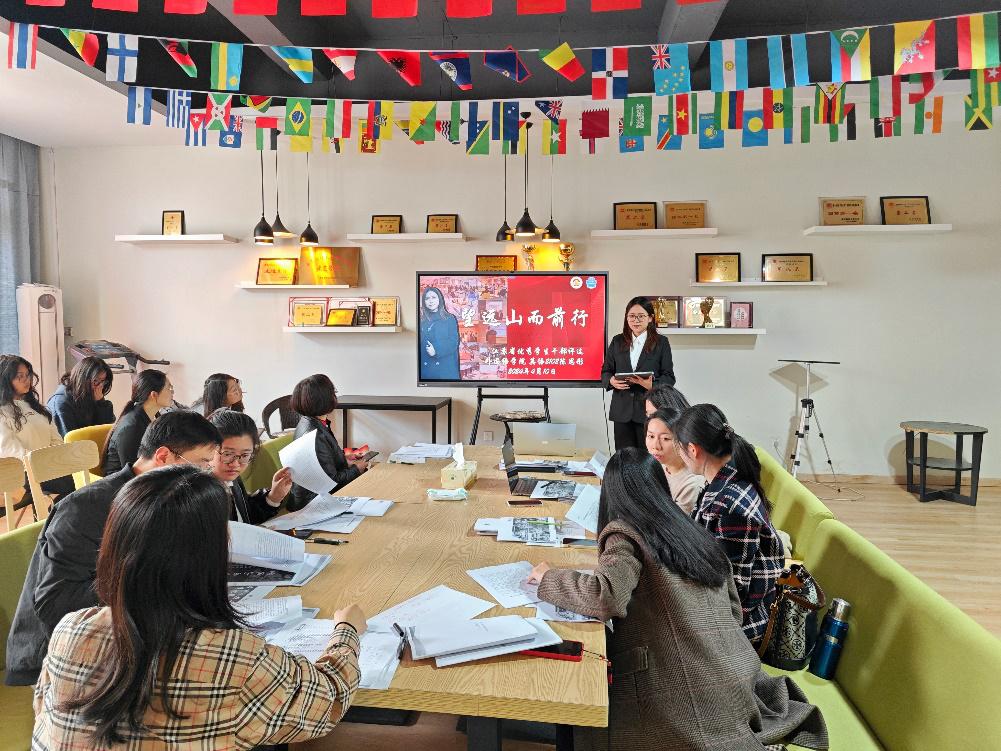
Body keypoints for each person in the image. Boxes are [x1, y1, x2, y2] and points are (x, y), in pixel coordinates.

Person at [32, 465, 365, 748]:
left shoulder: (70, 630)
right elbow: (329, 701)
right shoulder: (234, 659)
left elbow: (43, 712)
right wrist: (347, 632)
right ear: (210, 553)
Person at [525, 450, 827, 751]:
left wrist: (549, 577)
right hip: (737, 673)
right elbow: (734, 611)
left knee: (585, 715)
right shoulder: (691, 530)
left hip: (686, 694)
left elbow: (605, 597)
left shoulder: (624, 533)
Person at [5, 411, 221, 686]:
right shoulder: (86, 508)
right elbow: (55, 604)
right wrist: (147, 576)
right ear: (164, 456)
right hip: (54, 660)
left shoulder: (165, 500)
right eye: (201, 465)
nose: (205, 476)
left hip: (128, 634)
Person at [673, 403, 784, 644]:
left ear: (693, 450)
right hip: (721, 598)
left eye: (679, 449)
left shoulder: (730, 506)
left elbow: (733, 592)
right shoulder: (725, 480)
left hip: (744, 620)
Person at [0, 354, 72, 514]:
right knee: (75, 482)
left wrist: (51, 462)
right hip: (22, 474)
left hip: (47, 468)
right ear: (5, 380)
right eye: (20, 376)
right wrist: (42, 464)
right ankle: (52, 519)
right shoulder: (2, 412)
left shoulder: (39, 409)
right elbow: (11, 451)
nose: (27, 380)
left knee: (79, 478)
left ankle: (51, 517)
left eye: (28, 375)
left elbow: (57, 441)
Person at [600, 297, 675, 451]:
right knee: (624, 456)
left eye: (641, 316)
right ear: (626, 318)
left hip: (649, 411)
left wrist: (652, 385)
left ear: (650, 318)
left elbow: (669, 377)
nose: (636, 320)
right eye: (632, 316)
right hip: (621, 410)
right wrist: (611, 381)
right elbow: (606, 371)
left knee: (647, 456)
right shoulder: (617, 341)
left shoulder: (661, 342)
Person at [288, 374, 367, 511]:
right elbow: (332, 482)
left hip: (314, 497)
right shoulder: (315, 435)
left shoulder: (310, 422)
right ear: (325, 400)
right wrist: (356, 469)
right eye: (333, 392)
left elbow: (323, 461)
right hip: (311, 505)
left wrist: (344, 458)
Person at [208, 408, 291, 524]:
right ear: (207, 448)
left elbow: (245, 516)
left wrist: (274, 496)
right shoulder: (199, 495)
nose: (235, 464)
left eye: (245, 455)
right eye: (227, 454)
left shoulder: (231, 478)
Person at [101, 369, 174, 476]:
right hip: (122, 482)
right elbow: (133, 471)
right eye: (169, 388)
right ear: (154, 395)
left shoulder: (154, 416)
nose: (172, 392)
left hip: (145, 475)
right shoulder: (131, 427)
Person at [645, 409, 704, 515]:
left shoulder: (691, 484)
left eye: (665, 438)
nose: (655, 446)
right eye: (651, 436)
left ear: (682, 440)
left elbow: (671, 523)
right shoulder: (656, 466)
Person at [46, 356, 116, 437]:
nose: (100, 386)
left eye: (103, 381)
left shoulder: (92, 393)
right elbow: (70, 439)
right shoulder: (61, 403)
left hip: (90, 443)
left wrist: (101, 403)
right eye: (95, 381)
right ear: (82, 379)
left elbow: (107, 430)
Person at [419, 286, 460, 381]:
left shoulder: (449, 318)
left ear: (439, 299)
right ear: (424, 302)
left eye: (433, 297)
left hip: (445, 369)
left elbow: (453, 342)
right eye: (427, 298)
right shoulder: (421, 320)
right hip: (426, 371)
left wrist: (436, 350)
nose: (430, 301)